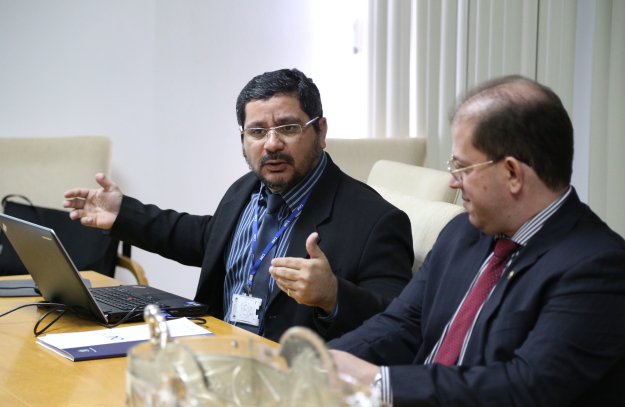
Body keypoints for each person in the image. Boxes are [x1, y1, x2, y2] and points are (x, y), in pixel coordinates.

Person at [328, 75, 625, 407]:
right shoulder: (462, 232)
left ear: (512, 173)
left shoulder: (600, 268)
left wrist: (380, 383)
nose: (452, 181)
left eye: (462, 167)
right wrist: (320, 364)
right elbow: (403, 324)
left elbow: (525, 389)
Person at [63, 68, 414, 342]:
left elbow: (400, 326)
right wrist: (123, 214)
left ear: (320, 131)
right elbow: (206, 238)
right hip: (215, 355)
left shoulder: (376, 221)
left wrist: (333, 296)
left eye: (288, 128)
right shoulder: (247, 189)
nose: (271, 144)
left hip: (293, 382)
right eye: (257, 132)